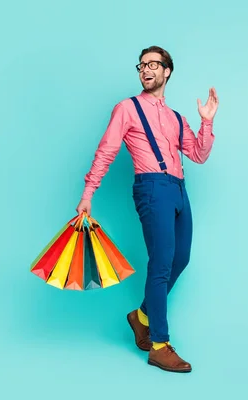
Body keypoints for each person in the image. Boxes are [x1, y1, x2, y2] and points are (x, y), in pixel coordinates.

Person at [75, 45, 218, 373]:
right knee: (161, 264)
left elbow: (198, 154)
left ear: (167, 71)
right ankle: (159, 344)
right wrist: (88, 192)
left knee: (180, 259)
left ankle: (140, 317)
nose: (146, 70)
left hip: (180, 190)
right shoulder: (126, 109)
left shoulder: (175, 118)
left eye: (154, 64)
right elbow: (106, 150)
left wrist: (206, 123)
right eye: (142, 65)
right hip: (152, 189)